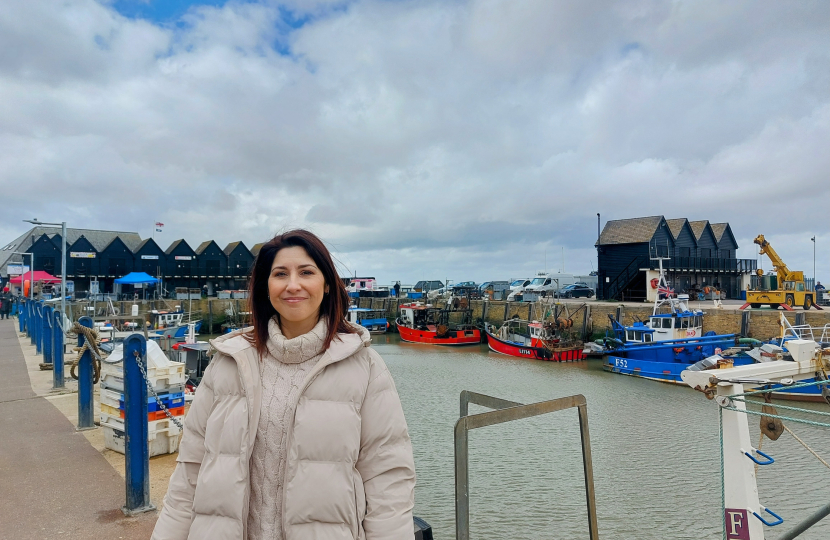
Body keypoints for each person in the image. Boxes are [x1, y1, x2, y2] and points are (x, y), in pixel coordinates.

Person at [152, 229, 415, 540]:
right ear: (266, 286)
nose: (293, 285)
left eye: (306, 272)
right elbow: (190, 471)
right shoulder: (228, 362)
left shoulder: (366, 368)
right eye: (280, 274)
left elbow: (388, 479)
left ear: (327, 283)